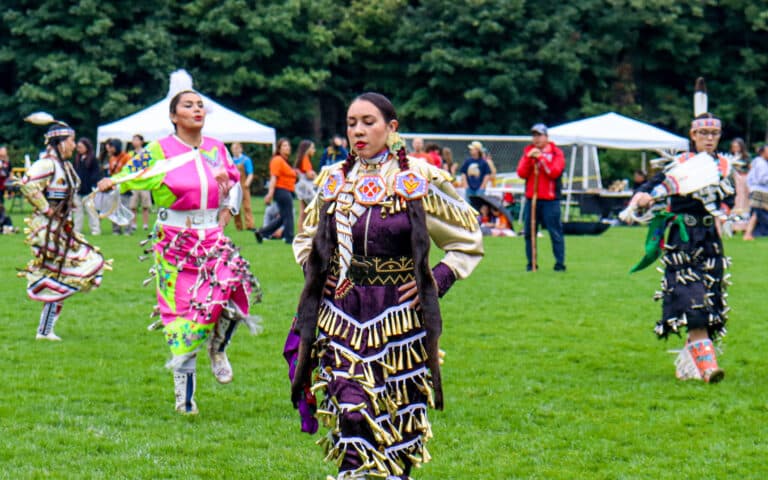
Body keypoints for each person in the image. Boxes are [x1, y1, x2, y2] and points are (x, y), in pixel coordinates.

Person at [288, 92, 483, 479]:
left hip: (398, 317)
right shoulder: (333, 179)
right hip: (342, 311)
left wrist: (435, 280)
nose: (358, 130)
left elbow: (468, 240)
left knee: (396, 416)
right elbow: (304, 240)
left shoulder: (418, 178)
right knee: (351, 409)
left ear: (392, 128)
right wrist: (320, 276)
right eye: (351, 123)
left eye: (368, 122)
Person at [97, 90, 261, 414]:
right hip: (176, 244)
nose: (196, 109)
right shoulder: (159, 151)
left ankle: (218, 346)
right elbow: (128, 177)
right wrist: (110, 184)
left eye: (200, 105)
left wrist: (228, 210)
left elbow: (235, 183)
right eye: (188, 105)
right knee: (183, 318)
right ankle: (185, 401)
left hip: (212, 238)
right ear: (174, 116)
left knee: (235, 290)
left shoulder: (217, 148)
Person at [628, 80, 733, 383]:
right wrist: (643, 197)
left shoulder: (724, 167)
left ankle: (690, 362)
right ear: (693, 135)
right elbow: (654, 186)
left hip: (710, 241)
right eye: (703, 133)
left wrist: (726, 211)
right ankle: (708, 369)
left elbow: (727, 200)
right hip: (682, 241)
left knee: (711, 304)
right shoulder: (680, 165)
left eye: (714, 133)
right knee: (692, 300)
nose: (709, 138)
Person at [19, 116, 107, 341]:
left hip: (60, 228)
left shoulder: (64, 165)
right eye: (71, 140)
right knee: (85, 265)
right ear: (59, 142)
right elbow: (28, 185)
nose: (74, 145)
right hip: (47, 230)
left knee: (63, 275)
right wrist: (47, 209)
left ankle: (45, 330)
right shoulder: (48, 163)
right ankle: (42, 300)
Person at [517, 123, 566, 272]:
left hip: (550, 199)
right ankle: (531, 264)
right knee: (529, 232)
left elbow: (554, 172)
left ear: (546, 137)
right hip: (532, 199)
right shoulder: (528, 152)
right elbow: (521, 173)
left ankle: (559, 264)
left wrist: (542, 159)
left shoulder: (556, 152)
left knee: (555, 232)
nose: (536, 139)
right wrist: (529, 159)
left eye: (539, 135)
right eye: (534, 135)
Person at [253, 138, 297, 244]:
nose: (288, 148)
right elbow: (274, 177)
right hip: (282, 190)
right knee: (288, 214)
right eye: (284, 146)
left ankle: (262, 232)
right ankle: (289, 238)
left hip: (286, 190)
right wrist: (270, 193)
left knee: (283, 216)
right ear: (279, 148)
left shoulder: (284, 161)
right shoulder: (277, 160)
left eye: (288, 145)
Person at [71, 137, 102, 235]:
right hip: (78, 189)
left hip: (89, 189)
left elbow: (96, 173)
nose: (78, 149)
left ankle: (95, 229)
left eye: (80, 147)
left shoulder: (92, 159)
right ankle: (76, 229)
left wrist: (93, 185)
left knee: (91, 211)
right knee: (77, 211)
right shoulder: (77, 159)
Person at [104, 139, 131, 235]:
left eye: (112, 147)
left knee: (125, 208)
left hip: (125, 187)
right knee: (114, 209)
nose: (110, 149)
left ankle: (128, 229)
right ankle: (116, 229)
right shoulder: (111, 158)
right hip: (114, 187)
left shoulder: (126, 157)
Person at [128, 134, 152, 233]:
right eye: (133, 140)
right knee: (133, 205)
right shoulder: (130, 154)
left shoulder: (146, 153)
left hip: (144, 182)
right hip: (134, 182)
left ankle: (145, 224)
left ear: (141, 142)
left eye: (137, 140)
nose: (135, 142)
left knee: (145, 205)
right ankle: (133, 224)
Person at [744, 145, 768, 239]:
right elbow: (762, 178)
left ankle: (750, 233)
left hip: (757, 189)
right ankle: (748, 233)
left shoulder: (757, 162)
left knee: (757, 212)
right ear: (762, 152)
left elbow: (749, 178)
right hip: (760, 190)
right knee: (757, 212)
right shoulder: (761, 163)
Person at [294, 139, 317, 233]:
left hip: (301, 187)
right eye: (312, 148)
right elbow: (308, 174)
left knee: (303, 211)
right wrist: (315, 175)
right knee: (311, 210)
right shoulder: (305, 159)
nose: (314, 150)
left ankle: (301, 232)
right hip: (306, 188)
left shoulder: (301, 158)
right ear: (307, 149)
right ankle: (306, 231)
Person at [230, 142, 255, 230]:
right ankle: (238, 226)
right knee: (235, 207)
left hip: (244, 185)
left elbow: (250, 173)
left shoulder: (246, 160)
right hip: (234, 186)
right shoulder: (231, 161)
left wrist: (247, 182)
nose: (235, 151)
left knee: (247, 206)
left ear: (241, 149)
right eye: (233, 149)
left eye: (236, 148)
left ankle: (250, 225)